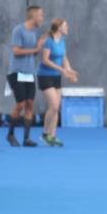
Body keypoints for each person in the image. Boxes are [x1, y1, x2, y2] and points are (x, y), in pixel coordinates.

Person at [6, 5, 44, 147]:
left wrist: (38, 47)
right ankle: (10, 134)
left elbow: (32, 53)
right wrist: (35, 48)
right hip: (17, 72)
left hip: (30, 73)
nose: (42, 18)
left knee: (29, 104)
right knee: (20, 104)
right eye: (40, 15)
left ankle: (26, 138)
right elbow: (16, 51)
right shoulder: (18, 30)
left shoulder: (34, 33)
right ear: (33, 16)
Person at [37, 17, 78, 147]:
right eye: (65, 26)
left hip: (56, 78)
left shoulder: (62, 40)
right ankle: (45, 133)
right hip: (45, 76)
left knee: (56, 108)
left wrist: (69, 71)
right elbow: (45, 60)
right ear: (59, 27)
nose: (67, 28)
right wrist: (62, 70)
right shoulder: (48, 41)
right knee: (54, 106)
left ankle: (52, 136)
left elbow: (64, 57)